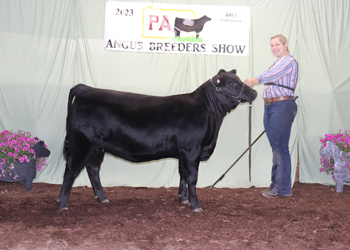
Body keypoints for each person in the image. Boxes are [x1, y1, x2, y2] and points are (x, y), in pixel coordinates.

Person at [244, 34, 298, 198]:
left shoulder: (289, 61)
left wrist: (254, 80)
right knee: (276, 146)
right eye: (272, 45)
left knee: (280, 147)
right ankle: (276, 185)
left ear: (285, 44)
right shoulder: (276, 63)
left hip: (281, 105)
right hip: (272, 106)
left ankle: (283, 188)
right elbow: (272, 73)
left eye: (277, 45)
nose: (274, 48)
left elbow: (272, 75)